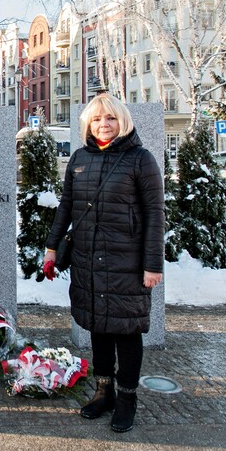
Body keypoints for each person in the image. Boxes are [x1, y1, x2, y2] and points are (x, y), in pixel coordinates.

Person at [42, 93, 164, 433]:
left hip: (126, 262)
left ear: (121, 120)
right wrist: (52, 247)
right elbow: (66, 207)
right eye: (97, 119)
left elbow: (156, 214)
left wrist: (153, 265)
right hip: (87, 260)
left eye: (110, 118)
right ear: (88, 124)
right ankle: (103, 392)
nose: (104, 124)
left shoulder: (141, 160)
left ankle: (127, 399)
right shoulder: (80, 158)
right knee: (97, 328)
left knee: (125, 332)